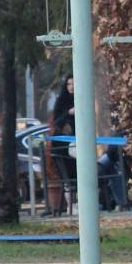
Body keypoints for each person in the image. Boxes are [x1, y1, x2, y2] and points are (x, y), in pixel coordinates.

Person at [49, 76, 76, 216]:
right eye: (69, 84)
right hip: (63, 147)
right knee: (68, 178)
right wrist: (69, 113)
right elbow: (56, 121)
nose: (71, 86)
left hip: (77, 144)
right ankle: (70, 206)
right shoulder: (61, 101)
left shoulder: (82, 99)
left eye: (74, 83)